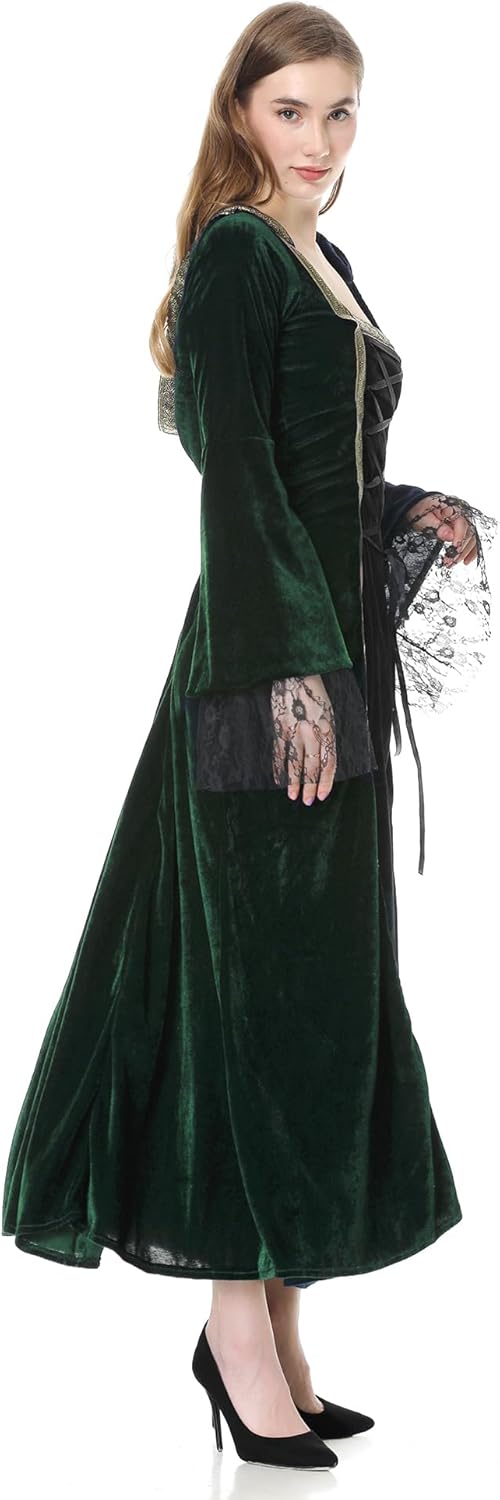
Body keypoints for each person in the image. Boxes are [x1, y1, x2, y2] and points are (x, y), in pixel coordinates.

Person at [2, 3, 497, 1473]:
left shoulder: (319, 257)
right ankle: (235, 1333)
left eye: (342, 112)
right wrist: (289, 681)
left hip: (321, 665)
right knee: (257, 1002)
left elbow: (309, 465)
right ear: (241, 115)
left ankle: (279, 1333)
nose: (322, 140)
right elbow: (235, 482)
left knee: (315, 994)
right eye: (294, 110)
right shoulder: (233, 253)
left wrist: (406, 507)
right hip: (264, 681)